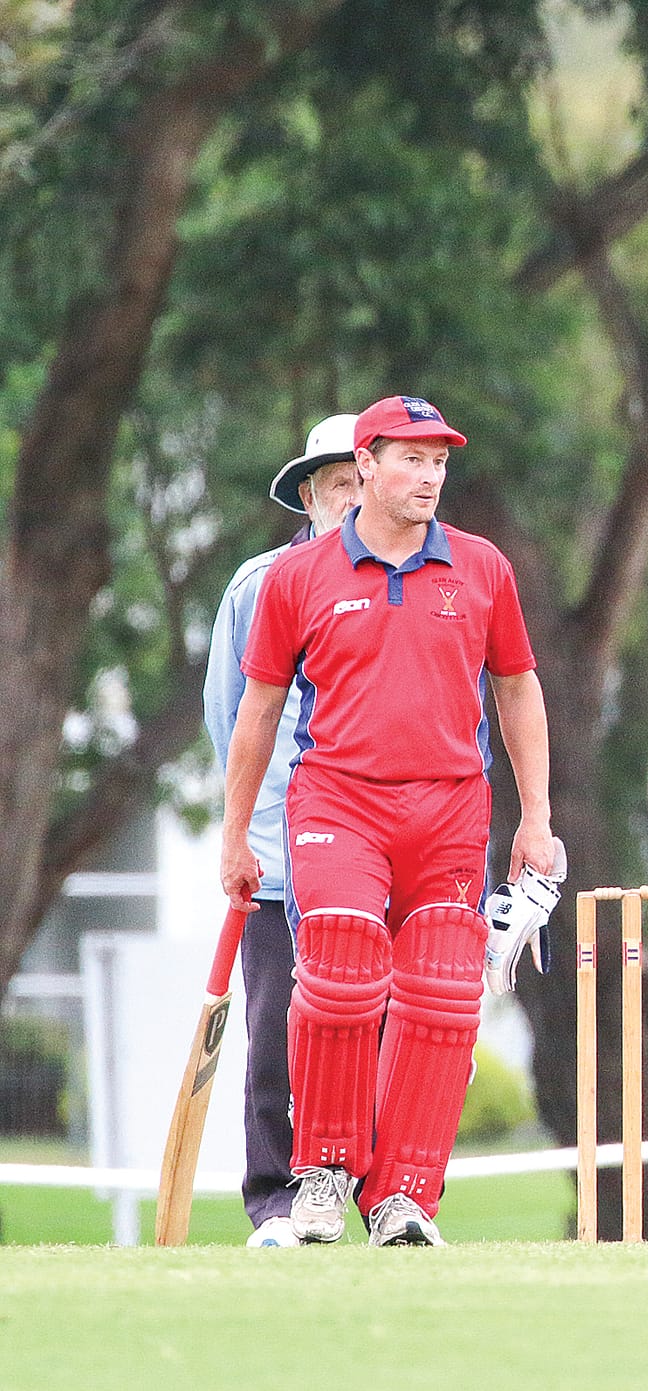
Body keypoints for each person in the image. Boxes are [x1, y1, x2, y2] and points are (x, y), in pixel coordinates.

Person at [219, 394, 558, 1247]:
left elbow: (517, 686)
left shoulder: (482, 567)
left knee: (441, 997)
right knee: (337, 971)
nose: (430, 476)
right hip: (338, 799)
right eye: (412, 459)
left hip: (450, 806)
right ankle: (323, 1174)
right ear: (365, 464)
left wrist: (537, 817)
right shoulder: (295, 576)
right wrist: (234, 836)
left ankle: (404, 1196)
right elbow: (255, 712)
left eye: (439, 462)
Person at [203, 414, 363, 1248]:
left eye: (366, 480)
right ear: (309, 495)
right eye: (340, 484)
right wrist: (243, 832)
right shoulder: (261, 584)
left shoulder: (411, 583)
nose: (356, 499)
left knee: (372, 1031)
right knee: (274, 1039)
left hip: (368, 852)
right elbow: (231, 718)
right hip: (277, 854)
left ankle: (378, 1199)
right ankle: (273, 1201)